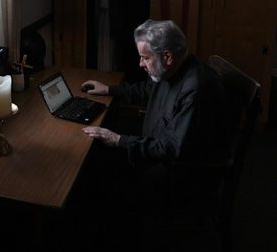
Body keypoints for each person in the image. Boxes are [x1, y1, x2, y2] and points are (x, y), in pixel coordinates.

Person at [81, 18, 231, 170]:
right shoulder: (176, 67)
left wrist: (118, 140)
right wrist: (109, 90)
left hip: (176, 172)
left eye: (145, 58)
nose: (140, 64)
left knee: (96, 161)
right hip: (156, 144)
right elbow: (150, 89)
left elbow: (172, 148)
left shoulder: (196, 90)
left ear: (167, 57)